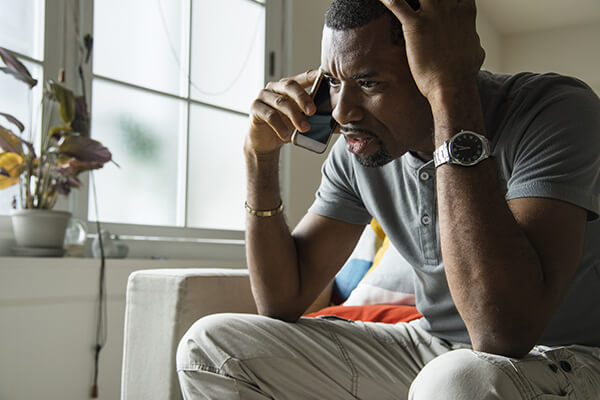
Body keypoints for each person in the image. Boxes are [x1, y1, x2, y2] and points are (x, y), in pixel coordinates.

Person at [177, 0, 600, 398]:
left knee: (459, 381)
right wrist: (259, 157)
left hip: (563, 354)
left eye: (368, 82)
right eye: (335, 82)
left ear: (435, 63)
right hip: (432, 346)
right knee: (211, 346)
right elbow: (282, 299)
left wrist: (451, 90)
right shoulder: (359, 152)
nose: (342, 113)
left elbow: (503, 333)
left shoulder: (555, 109)